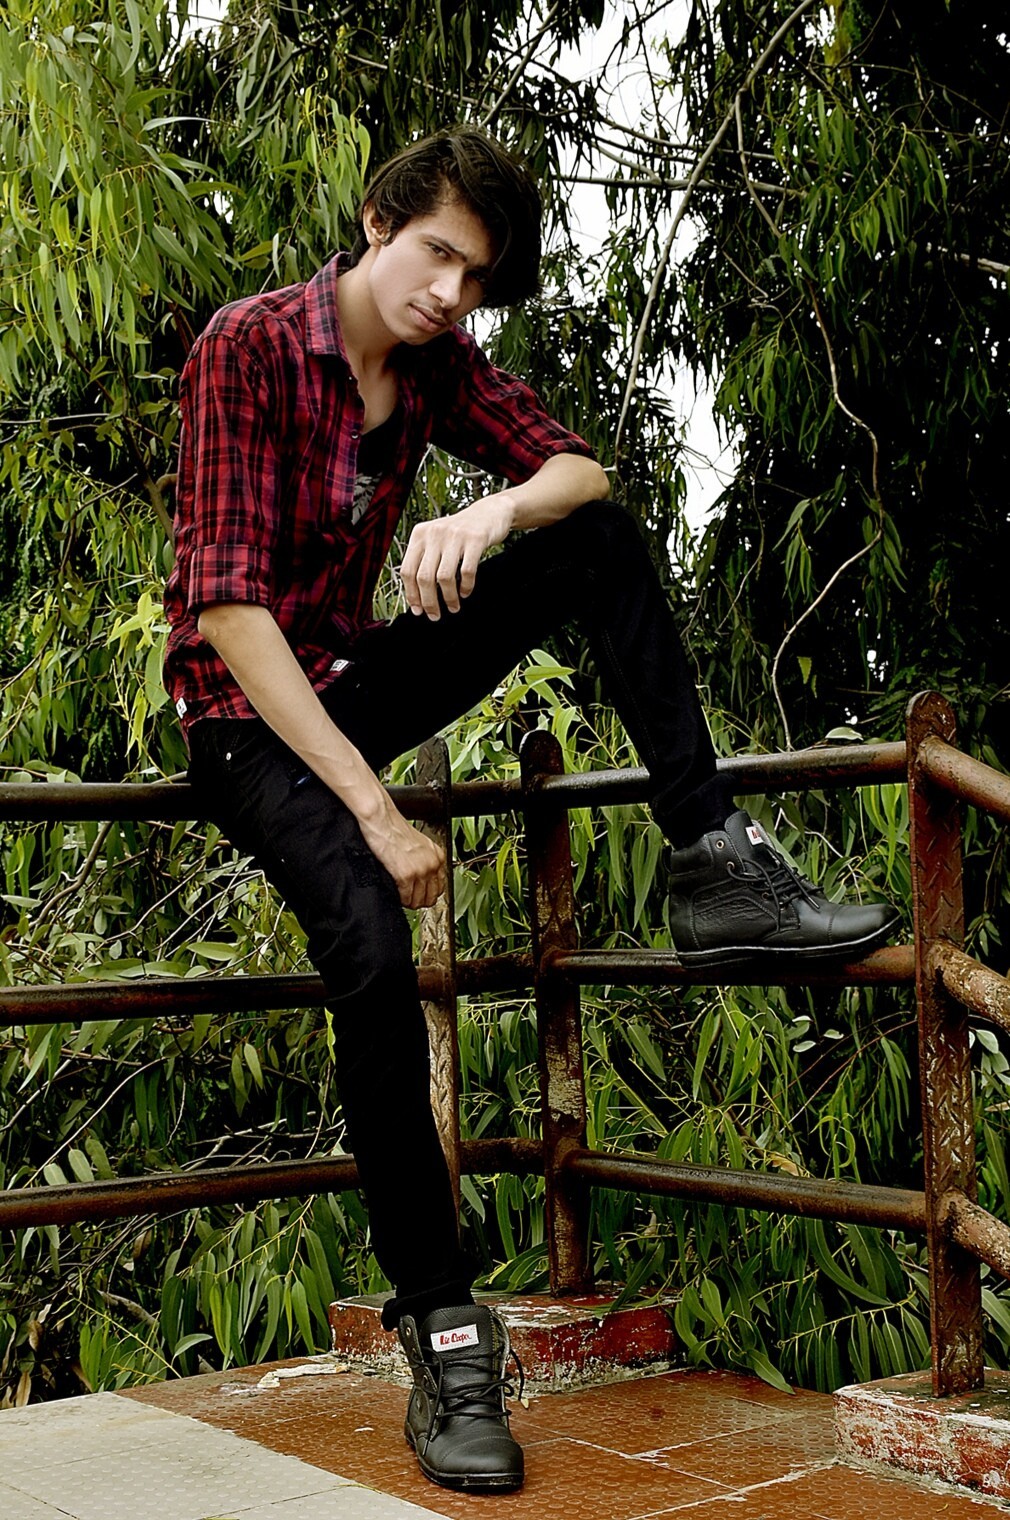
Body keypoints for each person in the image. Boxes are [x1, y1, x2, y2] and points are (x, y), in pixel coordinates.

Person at [163, 126, 898, 1494]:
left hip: (353, 680)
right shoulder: (249, 345)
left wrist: (489, 516)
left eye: (475, 278)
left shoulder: (434, 363)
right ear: (377, 223)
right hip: (246, 719)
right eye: (434, 255)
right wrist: (377, 816)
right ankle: (446, 1337)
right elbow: (228, 611)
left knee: (594, 543)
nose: (449, 294)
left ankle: (712, 859)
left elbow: (582, 473)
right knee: (371, 942)